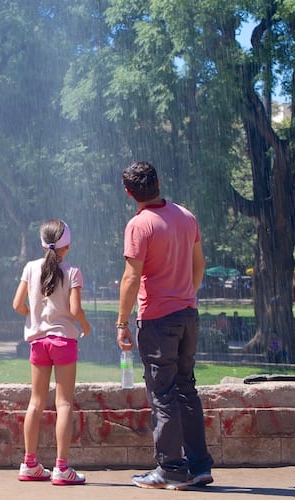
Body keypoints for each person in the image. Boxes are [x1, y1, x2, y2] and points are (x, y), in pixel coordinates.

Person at [115, 161, 214, 490]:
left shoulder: (139, 225)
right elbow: (199, 264)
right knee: (186, 389)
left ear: (128, 193)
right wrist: (186, 295)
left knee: (163, 394)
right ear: (158, 182)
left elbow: (131, 277)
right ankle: (199, 465)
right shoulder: (186, 216)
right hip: (188, 315)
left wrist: (121, 322)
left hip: (158, 319)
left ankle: (170, 468)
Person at [12, 219, 92, 485]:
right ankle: (62, 468)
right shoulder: (73, 272)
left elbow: (17, 304)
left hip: (38, 342)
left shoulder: (30, 268)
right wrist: (86, 326)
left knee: (35, 403)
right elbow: (74, 310)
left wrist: (32, 316)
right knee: (64, 403)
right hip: (63, 341)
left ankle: (29, 464)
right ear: (67, 245)